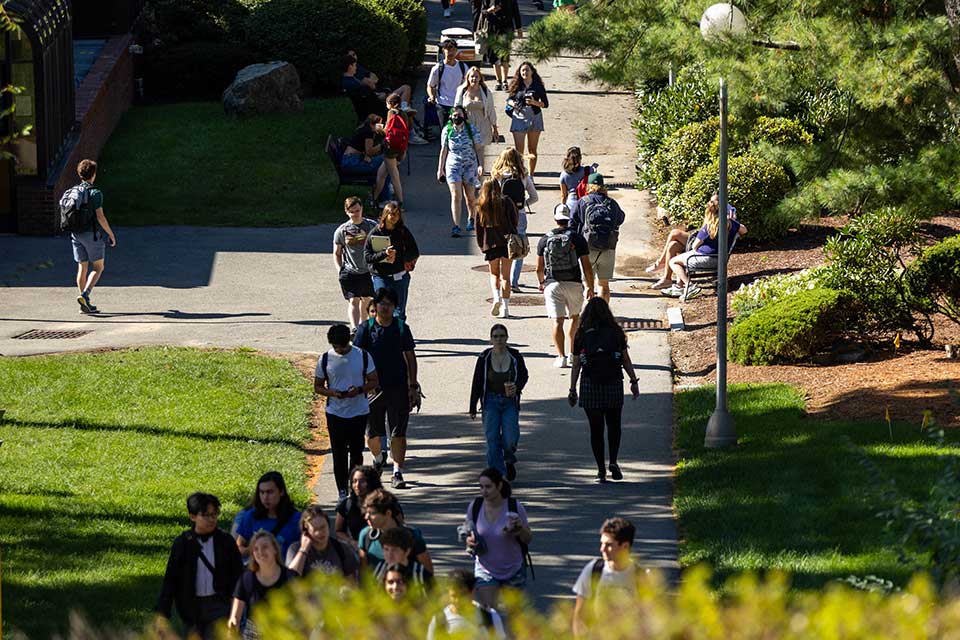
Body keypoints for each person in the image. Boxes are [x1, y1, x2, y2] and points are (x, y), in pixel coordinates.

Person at [352, 288, 419, 488]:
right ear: (375, 306)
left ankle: (397, 472)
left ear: (395, 307)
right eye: (382, 303)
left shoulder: (401, 328)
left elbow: (410, 357)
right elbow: (357, 358)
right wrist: (362, 385)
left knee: (398, 433)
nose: (385, 306)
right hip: (372, 390)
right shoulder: (366, 328)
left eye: (389, 303)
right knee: (372, 434)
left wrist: (413, 385)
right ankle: (379, 457)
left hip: (398, 388)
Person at [567, 297, 639, 483]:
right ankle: (613, 461)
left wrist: (572, 389)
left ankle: (600, 469)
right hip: (613, 382)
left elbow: (576, 365)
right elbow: (625, 359)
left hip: (590, 384)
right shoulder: (616, 332)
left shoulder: (581, 334)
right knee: (614, 426)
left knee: (596, 429)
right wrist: (633, 380)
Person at [155, 493, 244, 639]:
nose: (211, 519)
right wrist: (162, 614)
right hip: (191, 606)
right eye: (206, 515)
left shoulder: (225, 542)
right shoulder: (183, 543)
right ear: (192, 516)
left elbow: (238, 576)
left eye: (214, 515)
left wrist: (235, 608)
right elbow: (170, 580)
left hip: (219, 604)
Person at [315, 323, 379, 499]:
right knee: (339, 453)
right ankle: (341, 491)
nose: (340, 350)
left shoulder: (363, 356)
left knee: (356, 452)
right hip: (335, 412)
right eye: (336, 347)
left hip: (359, 411)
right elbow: (318, 386)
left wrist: (358, 390)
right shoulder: (325, 359)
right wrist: (333, 393)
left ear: (349, 342)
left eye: (343, 347)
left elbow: (374, 381)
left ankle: (354, 490)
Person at [463, 468, 532, 607]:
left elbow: (528, 538)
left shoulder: (514, 507)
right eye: (481, 487)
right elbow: (468, 532)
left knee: (515, 620)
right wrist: (469, 541)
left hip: (513, 569)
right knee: (487, 614)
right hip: (485, 569)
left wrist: (519, 529)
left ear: (499, 486)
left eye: (488, 487)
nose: (484, 491)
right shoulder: (475, 507)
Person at [537, 204, 595, 368]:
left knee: (557, 321)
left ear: (555, 218)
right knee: (575, 319)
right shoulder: (577, 238)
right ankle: (572, 354)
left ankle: (560, 357)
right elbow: (586, 266)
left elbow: (539, 267)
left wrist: (542, 282)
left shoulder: (545, 239)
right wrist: (590, 286)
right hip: (574, 283)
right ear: (568, 219)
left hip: (552, 284)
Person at [469, 324, 529, 480]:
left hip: (509, 402)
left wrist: (517, 387)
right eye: (495, 336)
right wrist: (473, 406)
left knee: (510, 438)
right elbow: (477, 381)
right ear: (490, 339)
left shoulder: (515, 356)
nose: (499, 339)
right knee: (492, 439)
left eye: (502, 336)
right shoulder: (484, 357)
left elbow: (524, 375)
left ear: (507, 338)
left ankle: (508, 460)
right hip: (490, 401)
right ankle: (498, 475)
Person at [664, 196, 747, 301]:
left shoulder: (709, 226)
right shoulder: (731, 223)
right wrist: (733, 220)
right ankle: (679, 287)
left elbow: (695, 245)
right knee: (683, 257)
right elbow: (744, 230)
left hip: (706, 258)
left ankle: (689, 286)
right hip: (721, 259)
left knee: (673, 262)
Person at [572, 518, 640, 636]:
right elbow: (579, 615)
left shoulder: (640, 577)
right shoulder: (593, 570)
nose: (602, 549)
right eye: (602, 543)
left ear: (625, 546)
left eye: (608, 545)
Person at [66, 159, 116, 314]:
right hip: (91, 234)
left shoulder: (73, 191)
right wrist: (110, 233)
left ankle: (84, 306)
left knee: (82, 267)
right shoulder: (95, 193)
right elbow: (100, 217)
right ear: (93, 174)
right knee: (98, 267)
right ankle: (85, 295)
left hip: (75, 234)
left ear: (79, 173)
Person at [570, 173, 626, 304]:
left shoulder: (582, 202)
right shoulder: (611, 203)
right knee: (604, 285)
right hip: (608, 247)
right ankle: (603, 316)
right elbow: (621, 219)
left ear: (588, 186)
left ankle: (588, 315)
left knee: (588, 285)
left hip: (587, 248)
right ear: (603, 186)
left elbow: (572, 223)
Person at [227, 531, 294, 639]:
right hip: (254, 635)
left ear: (275, 550)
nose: (260, 552)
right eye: (256, 549)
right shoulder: (246, 579)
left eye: (265, 547)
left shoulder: (291, 577)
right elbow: (235, 616)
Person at [363, 202, 420, 320]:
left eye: (397, 214)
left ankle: (399, 336)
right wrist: (384, 254)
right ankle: (382, 336)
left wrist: (398, 257)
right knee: (381, 309)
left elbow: (414, 251)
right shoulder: (375, 233)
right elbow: (367, 257)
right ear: (385, 215)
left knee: (398, 313)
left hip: (399, 276)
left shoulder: (403, 231)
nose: (394, 217)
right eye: (391, 214)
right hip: (380, 276)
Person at [492, 147, 538, 289]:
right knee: (519, 246)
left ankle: (500, 278)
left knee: (501, 245)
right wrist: (522, 205)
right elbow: (534, 197)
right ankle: (513, 281)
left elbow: (492, 196)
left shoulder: (497, 175)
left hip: (501, 215)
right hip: (520, 214)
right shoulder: (523, 175)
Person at [233, 471, 302, 560]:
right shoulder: (251, 516)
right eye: (262, 492)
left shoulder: (297, 519)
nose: (265, 497)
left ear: (281, 492)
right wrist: (255, 549)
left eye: (270, 492)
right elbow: (238, 548)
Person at [475, 180, 519, 318]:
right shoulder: (506, 201)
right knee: (506, 277)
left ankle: (496, 298)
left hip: (490, 243)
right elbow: (515, 219)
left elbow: (478, 227)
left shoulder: (481, 204)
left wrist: (482, 245)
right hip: (506, 243)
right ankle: (505, 308)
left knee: (494, 274)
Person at [358, 488, 433, 570]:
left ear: (388, 513)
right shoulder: (366, 536)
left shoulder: (413, 537)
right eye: (366, 513)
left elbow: (428, 573)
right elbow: (363, 575)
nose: (366, 517)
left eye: (372, 513)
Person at [438, 105, 484, 238]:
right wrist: (440, 169)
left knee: (470, 196)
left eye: (459, 114)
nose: (457, 117)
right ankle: (456, 225)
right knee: (455, 195)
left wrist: (480, 165)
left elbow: (479, 149)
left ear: (464, 116)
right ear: (451, 117)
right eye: (454, 115)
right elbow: (444, 150)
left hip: (470, 166)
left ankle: (471, 218)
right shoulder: (447, 130)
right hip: (453, 167)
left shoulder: (472, 130)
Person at [334, 197, 378, 331]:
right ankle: (354, 328)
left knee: (366, 300)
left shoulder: (371, 226)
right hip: (350, 271)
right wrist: (340, 270)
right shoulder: (341, 230)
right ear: (347, 212)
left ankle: (364, 328)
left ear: (362, 209)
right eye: (352, 212)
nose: (356, 214)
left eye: (358, 210)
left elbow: (380, 245)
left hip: (368, 271)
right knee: (354, 300)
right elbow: (337, 253)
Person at [426, 569, 507, 639]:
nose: (458, 600)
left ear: (472, 592)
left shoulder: (490, 616)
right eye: (453, 596)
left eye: (462, 595)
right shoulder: (439, 621)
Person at [286, 505, 359, 582]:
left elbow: (352, 582)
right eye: (315, 529)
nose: (320, 533)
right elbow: (291, 578)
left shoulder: (341, 549)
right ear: (306, 532)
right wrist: (304, 549)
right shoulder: (295, 549)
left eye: (323, 527)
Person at [506, 62, 549, 177]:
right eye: (522, 70)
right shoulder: (516, 84)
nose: (525, 72)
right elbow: (509, 99)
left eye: (527, 70)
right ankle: (521, 174)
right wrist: (513, 104)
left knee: (532, 149)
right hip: (519, 117)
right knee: (519, 150)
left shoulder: (538, 86)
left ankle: (531, 175)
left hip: (534, 117)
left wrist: (534, 102)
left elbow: (545, 104)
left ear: (532, 72)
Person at [341, 114, 392, 205]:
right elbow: (369, 151)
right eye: (379, 124)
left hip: (350, 161)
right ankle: (384, 197)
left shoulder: (363, 129)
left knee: (385, 164)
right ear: (374, 124)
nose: (380, 127)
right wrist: (382, 145)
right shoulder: (368, 133)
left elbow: (364, 151)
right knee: (386, 163)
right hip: (352, 163)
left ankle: (385, 191)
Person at [371, 526, 434, 595]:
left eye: (395, 550)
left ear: (407, 551)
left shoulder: (420, 574)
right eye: (386, 549)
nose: (389, 554)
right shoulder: (379, 569)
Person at [455, 66, 499, 161]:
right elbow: (456, 108)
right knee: (468, 150)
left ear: (480, 78)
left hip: (483, 124)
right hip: (467, 124)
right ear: (468, 78)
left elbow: (491, 110)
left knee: (480, 151)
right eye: (472, 76)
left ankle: (480, 172)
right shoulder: (462, 90)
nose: (474, 79)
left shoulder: (486, 92)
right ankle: (471, 172)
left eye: (476, 76)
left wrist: (495, 128)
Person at [335, 465, 383, 548]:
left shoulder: (385, 502)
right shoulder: (347, 504)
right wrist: (351, 542)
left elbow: (399, 526)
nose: (357, 485)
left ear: (371, 482)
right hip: (359, 550)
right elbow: (339, 531)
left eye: (362, 481)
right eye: (354, 481)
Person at [479, 0, 523, 90]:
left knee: (505, 57)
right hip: (492, 30)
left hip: (506, 29)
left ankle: (504, 81)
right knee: (494, 58)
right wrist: (489, 10)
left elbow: (516, 12)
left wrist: (519, 28)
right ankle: (498, 81)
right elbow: (482, 11)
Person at [375, 94, 408, 207]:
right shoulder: (403, 113)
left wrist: (378, 129)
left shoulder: (391, 113)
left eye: (387, 103)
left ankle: (400, 202)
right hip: (401, 147)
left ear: (391, 104)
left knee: (394, 176)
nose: (386, 105)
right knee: (381, 174)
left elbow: (387, 131)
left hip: (390, 149)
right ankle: (374, 199)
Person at [427, 39, 469, 128]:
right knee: (445, 130)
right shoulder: (438, 68)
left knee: (459, 130)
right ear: (443, 51)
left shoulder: (463, 67)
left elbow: (468, 84)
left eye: (453, 50)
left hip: (459, 104)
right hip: (443, 105)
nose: (450, 52)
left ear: (456, 51)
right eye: (448, 50)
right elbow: (430, 86)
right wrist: (431, 96)